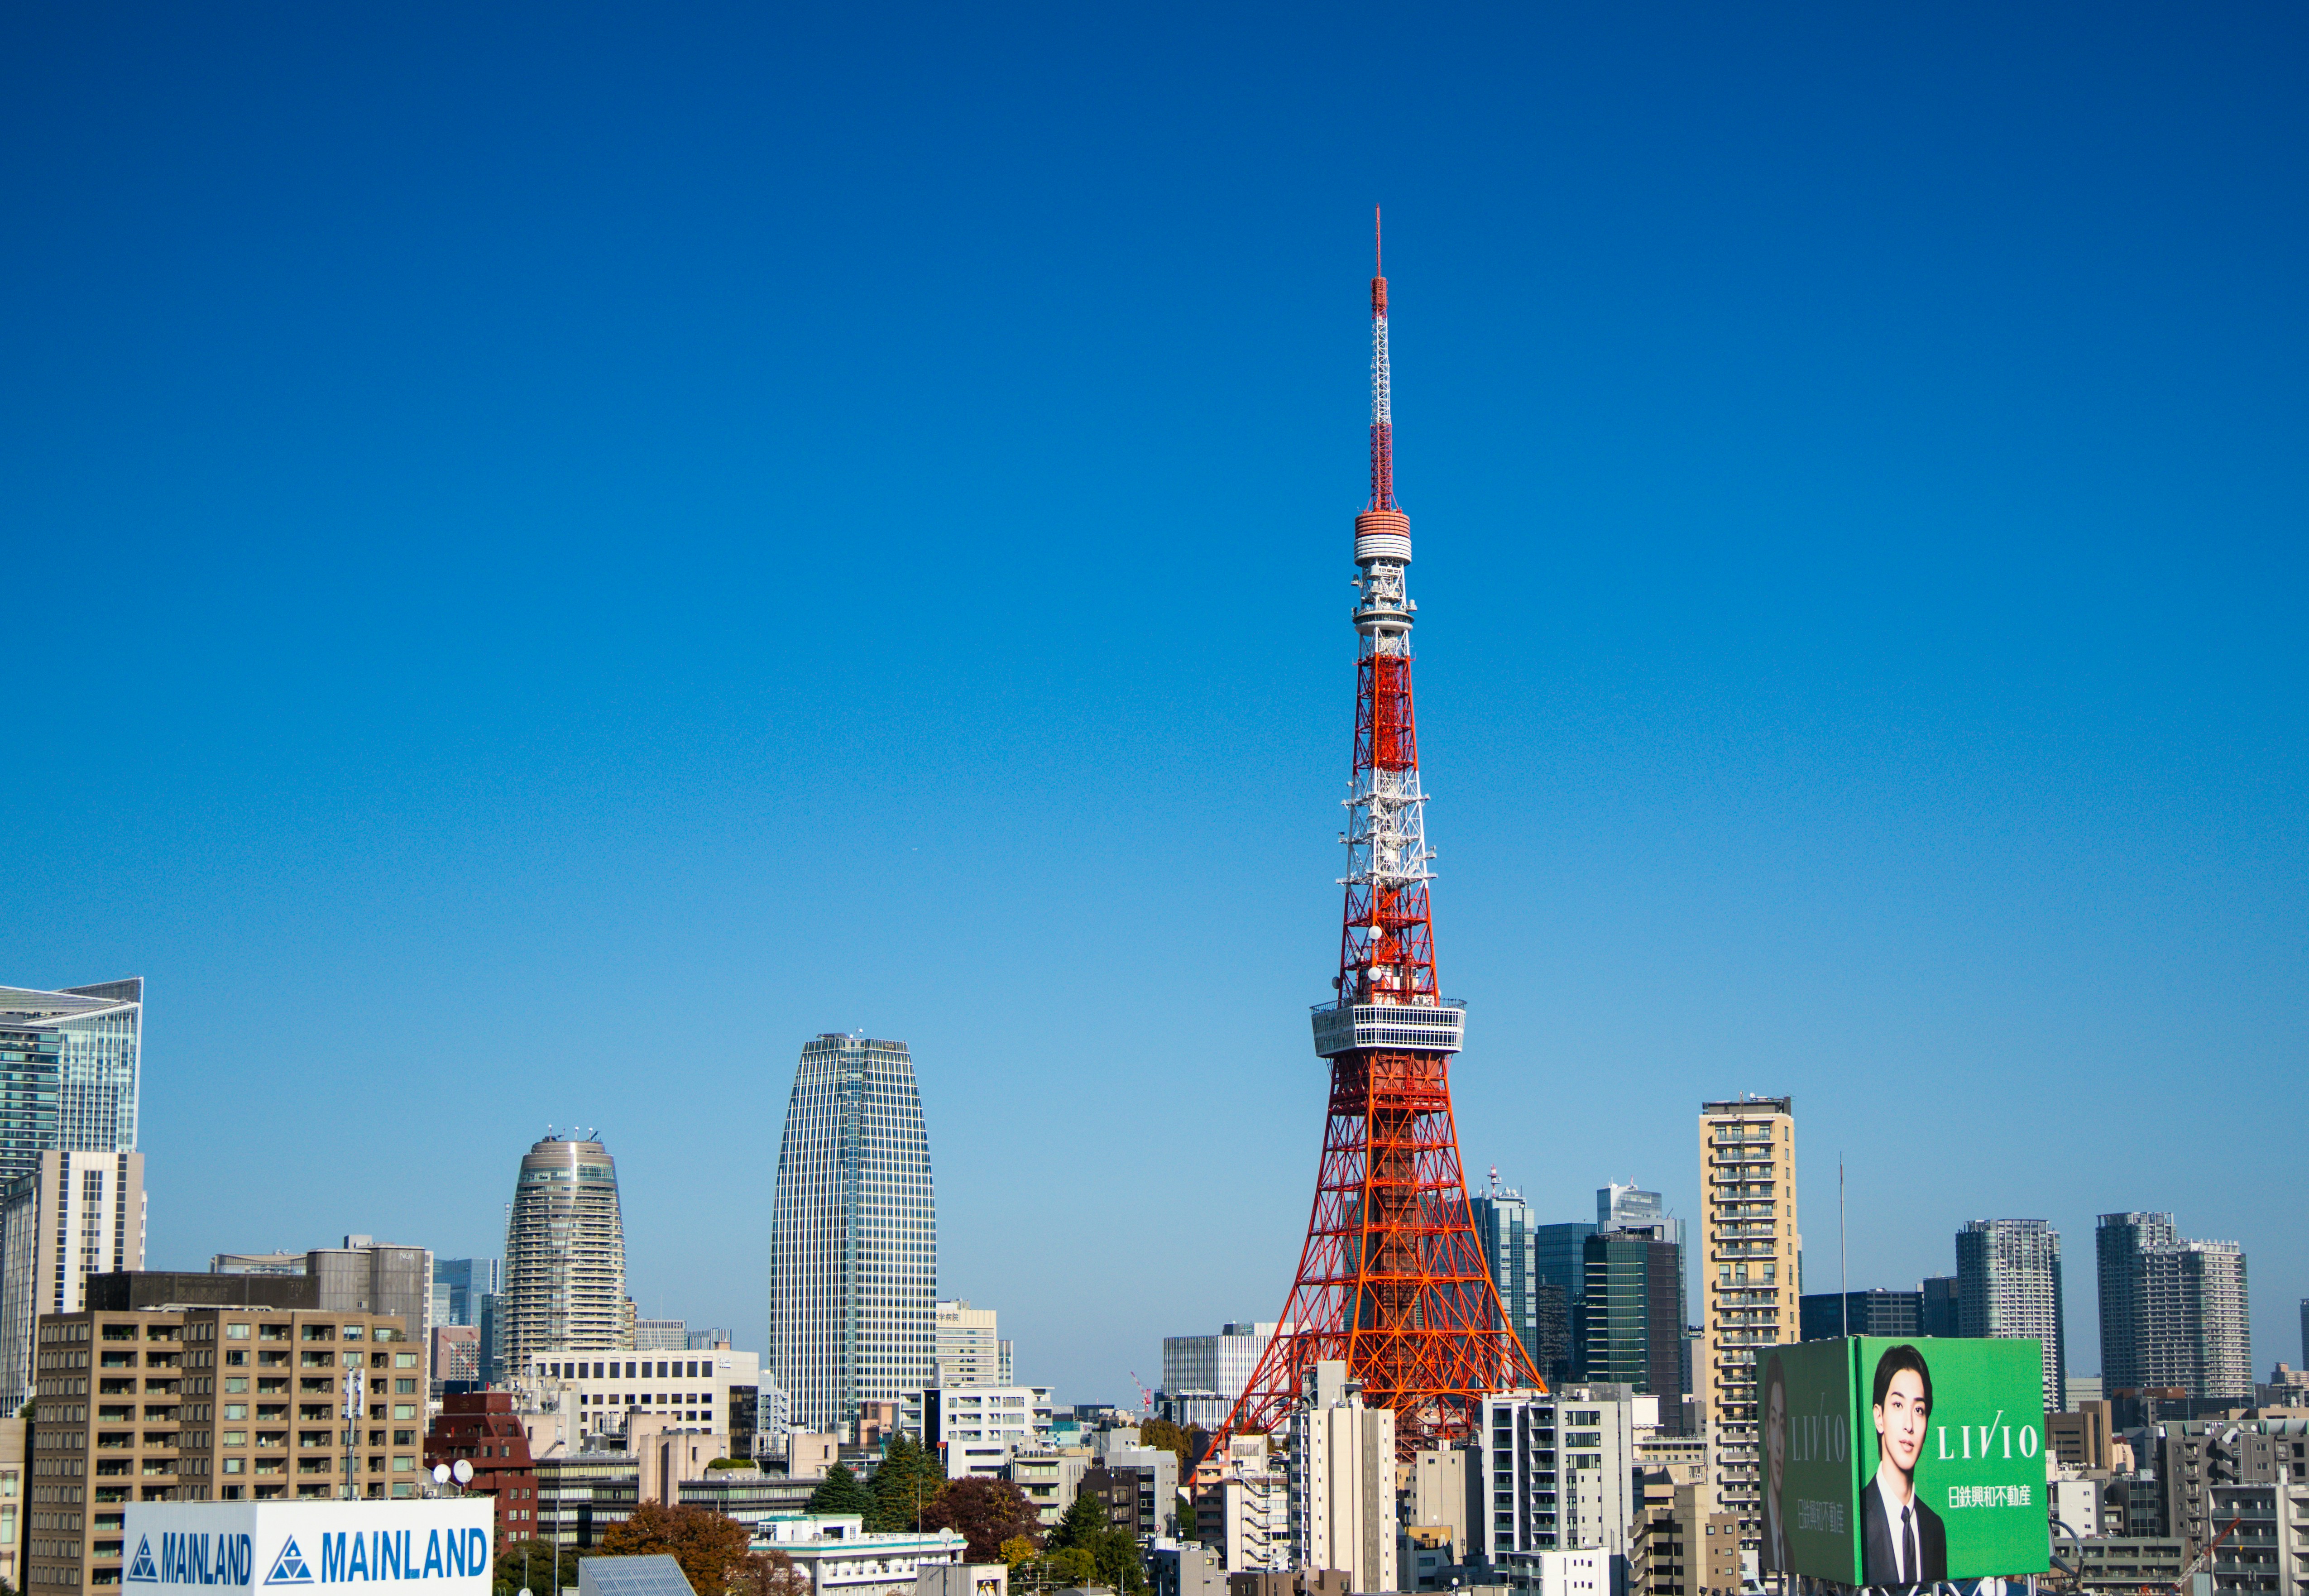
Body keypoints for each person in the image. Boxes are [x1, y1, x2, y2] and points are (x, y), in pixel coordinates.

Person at [1860, 1344, 1947, 1587]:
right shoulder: (1857, 1518)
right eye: (1898, 1405)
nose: (1909, 1424)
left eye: (1919, 1410)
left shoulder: (1934, 1527)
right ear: (1879, 1417)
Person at [1760, 1354, 1791, 1574]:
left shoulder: (1791, 1547)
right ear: (1766, 1432)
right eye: (1773, 1421)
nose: (1779, 1445)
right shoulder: (1767, 1530)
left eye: (1783, 1426)